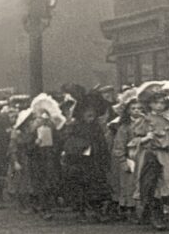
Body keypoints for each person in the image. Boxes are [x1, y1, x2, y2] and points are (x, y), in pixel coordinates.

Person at [133, 82, 169, 230]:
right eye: (155, 103)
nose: (159, 106)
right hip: (151, 154)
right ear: (149, 104)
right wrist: (146, 137)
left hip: (165, 155)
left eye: (162, 103)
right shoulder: (145, 120)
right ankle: (155, 215)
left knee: (168, 184)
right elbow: (134, 140)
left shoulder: (167, 122)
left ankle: (166, 215)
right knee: (152, 183)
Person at [61, 93, 112, 222]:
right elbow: (68, 142)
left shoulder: (97, 127)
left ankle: (97, 210)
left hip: (95, 161)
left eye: (93, 114)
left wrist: (104, 157)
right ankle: (81, 211)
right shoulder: (75, 126)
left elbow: (102, 143)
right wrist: (82, 146)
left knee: (96, 187)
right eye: (88, 114)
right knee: (80, 187)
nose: (91, 116)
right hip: (79, 162)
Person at [110, 91, 145, 221]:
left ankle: (143, 210)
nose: (137, 111)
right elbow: (119, 146)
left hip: (144, 157)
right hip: (131, 159)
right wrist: (123, 161)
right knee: (129, 185)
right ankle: (131, 210)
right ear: (128, 111)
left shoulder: (147, 124)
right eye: (133, 108)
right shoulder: (125, 127)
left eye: (140, 108)